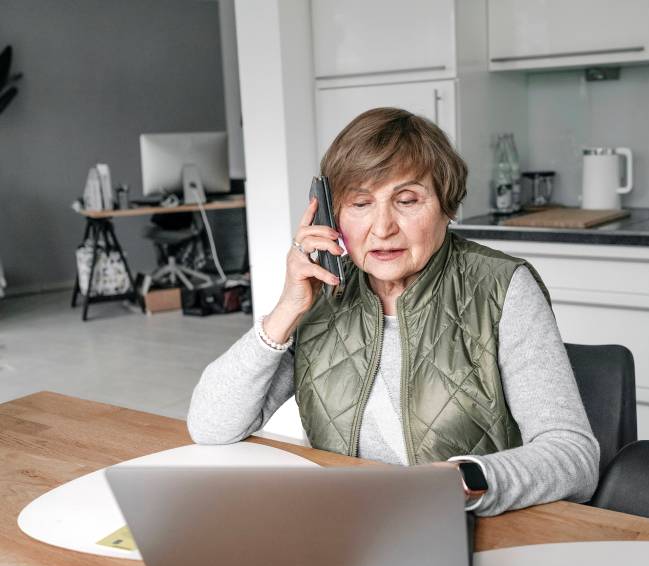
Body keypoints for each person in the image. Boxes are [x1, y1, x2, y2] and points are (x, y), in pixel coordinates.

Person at [188, 107, 600, 516]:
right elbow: (211, 427)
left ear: (447, 205)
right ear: (331, 214)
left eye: (406, 200)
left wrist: (462, 482)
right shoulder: (323, 292)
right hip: (348, 525)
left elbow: (574, 456)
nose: (382, 227)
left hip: (466, 527)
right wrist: (287, 311)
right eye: (360, 203)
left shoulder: (502, 287)